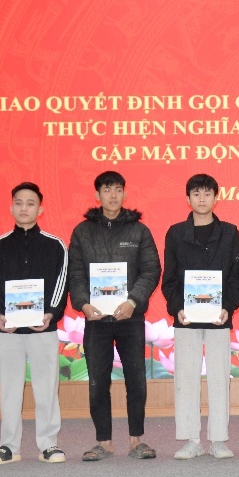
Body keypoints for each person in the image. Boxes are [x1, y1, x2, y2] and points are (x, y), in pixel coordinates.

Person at [68, 171, 161, 461]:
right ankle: (104, 442)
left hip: (130, 318)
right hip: (96, 320)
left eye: (118, 189)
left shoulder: (139, 231)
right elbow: (75, 273)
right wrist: (83, 304)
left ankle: (136, 441)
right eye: (107, 190)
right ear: (97, 195)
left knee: (136, 381)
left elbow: (151, 270)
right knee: (98, 382)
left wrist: (134, 301)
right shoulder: (82, 232)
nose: (113, 195)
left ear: (125, 194)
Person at [0, 182, 69, 464]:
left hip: (43, 328)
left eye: (30, 203)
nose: (24, 208)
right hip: (7, 330)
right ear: (11, 207)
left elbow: (61, 284)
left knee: (47, 389)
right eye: (19, 202)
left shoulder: (56, 245)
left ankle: (49, 444)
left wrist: (51, 314)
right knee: (9, 389)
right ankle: (8, 446)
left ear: (40, 209)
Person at [162, 174, 239, 460]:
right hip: (185, 317)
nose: (201, 199)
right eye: (196, 194)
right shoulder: (175, 233)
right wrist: (177, 307)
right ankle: (191, 440)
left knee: (220, 377)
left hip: (219, 316)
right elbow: (169, 278)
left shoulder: (230, 233)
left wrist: (228, 307)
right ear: (188, 199)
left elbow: (236, 277)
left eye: (207, 194)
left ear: (216, 198)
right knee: (186, 378)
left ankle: (218, 439)